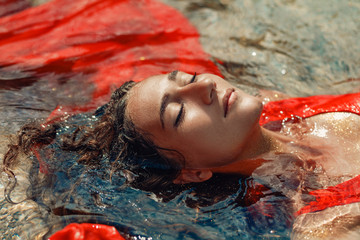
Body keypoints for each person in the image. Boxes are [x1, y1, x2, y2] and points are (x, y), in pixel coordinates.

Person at [3, 70, 360, 239]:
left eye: (187, 77)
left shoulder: (295, 107)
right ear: (192, 172)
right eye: (177, 113)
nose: (205, 86)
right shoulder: (322, 223)